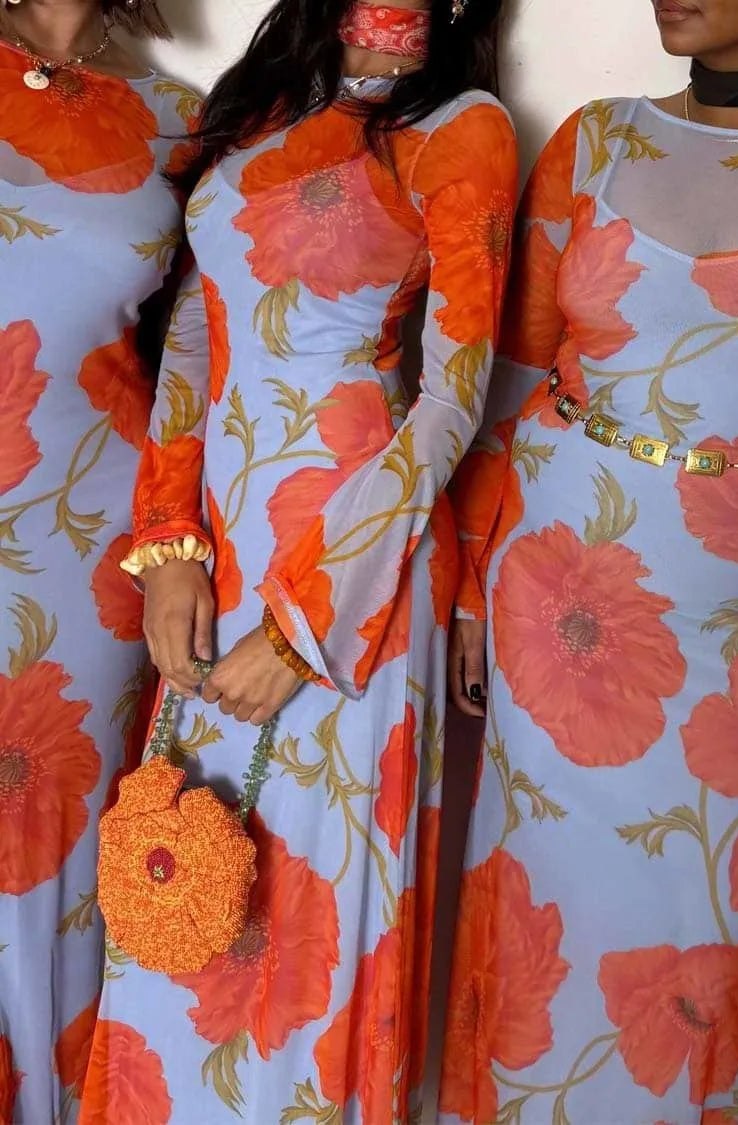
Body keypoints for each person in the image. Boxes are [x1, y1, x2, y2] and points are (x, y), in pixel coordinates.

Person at [78, 0, 518, 1120]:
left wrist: (306, 621)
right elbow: (189, 334)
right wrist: (170, 545)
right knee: (178, 869)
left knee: (305, 914)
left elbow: (451, 399)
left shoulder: (459, 126)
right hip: (218, 548)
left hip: (349, 565)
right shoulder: (265, 109)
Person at [441, 0, 738, 1122]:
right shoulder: (596, 139)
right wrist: (476, 569)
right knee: (554, 926)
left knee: (702, 954)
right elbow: (515, 380)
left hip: (732, 632)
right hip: (558, 605)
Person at [0, 0, 198, 1118]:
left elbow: (201, 348)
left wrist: (177, 540)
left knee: (55, 846)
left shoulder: (178, 116)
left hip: (87, 543)